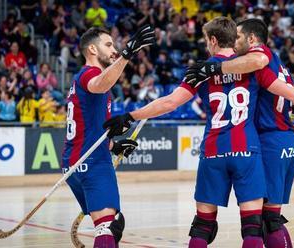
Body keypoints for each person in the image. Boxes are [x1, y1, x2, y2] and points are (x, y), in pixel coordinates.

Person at [104, 17, 268, 248]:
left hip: (213, 151)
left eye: (205, 40)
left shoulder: (201, 71)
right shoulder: (250, 64)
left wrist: (130, 116)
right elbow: (264, 65)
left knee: (203, 226)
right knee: (252, 227)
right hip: (247, 150)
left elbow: (170, 102)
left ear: (213, 40)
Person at [184, 18, 294, 248]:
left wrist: (214, 67)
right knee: (272, 217)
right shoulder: (279, 65)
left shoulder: (258, 57)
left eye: (238, 37)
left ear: (251, 39)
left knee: (266, 222)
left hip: (268, 141)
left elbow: (256, 59)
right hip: (288, 140)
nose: (234, 42)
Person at [61, 25, 155, 248]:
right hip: (91, 162)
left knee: (113, 224)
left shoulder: (79, 80)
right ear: (92, 49)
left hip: (74, 163)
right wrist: (127, 54)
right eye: (109, 45)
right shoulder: (91, 75)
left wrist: (114, 146)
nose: (114, 49)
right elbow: (99, 84)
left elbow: (91, 126)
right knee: (107, 226)